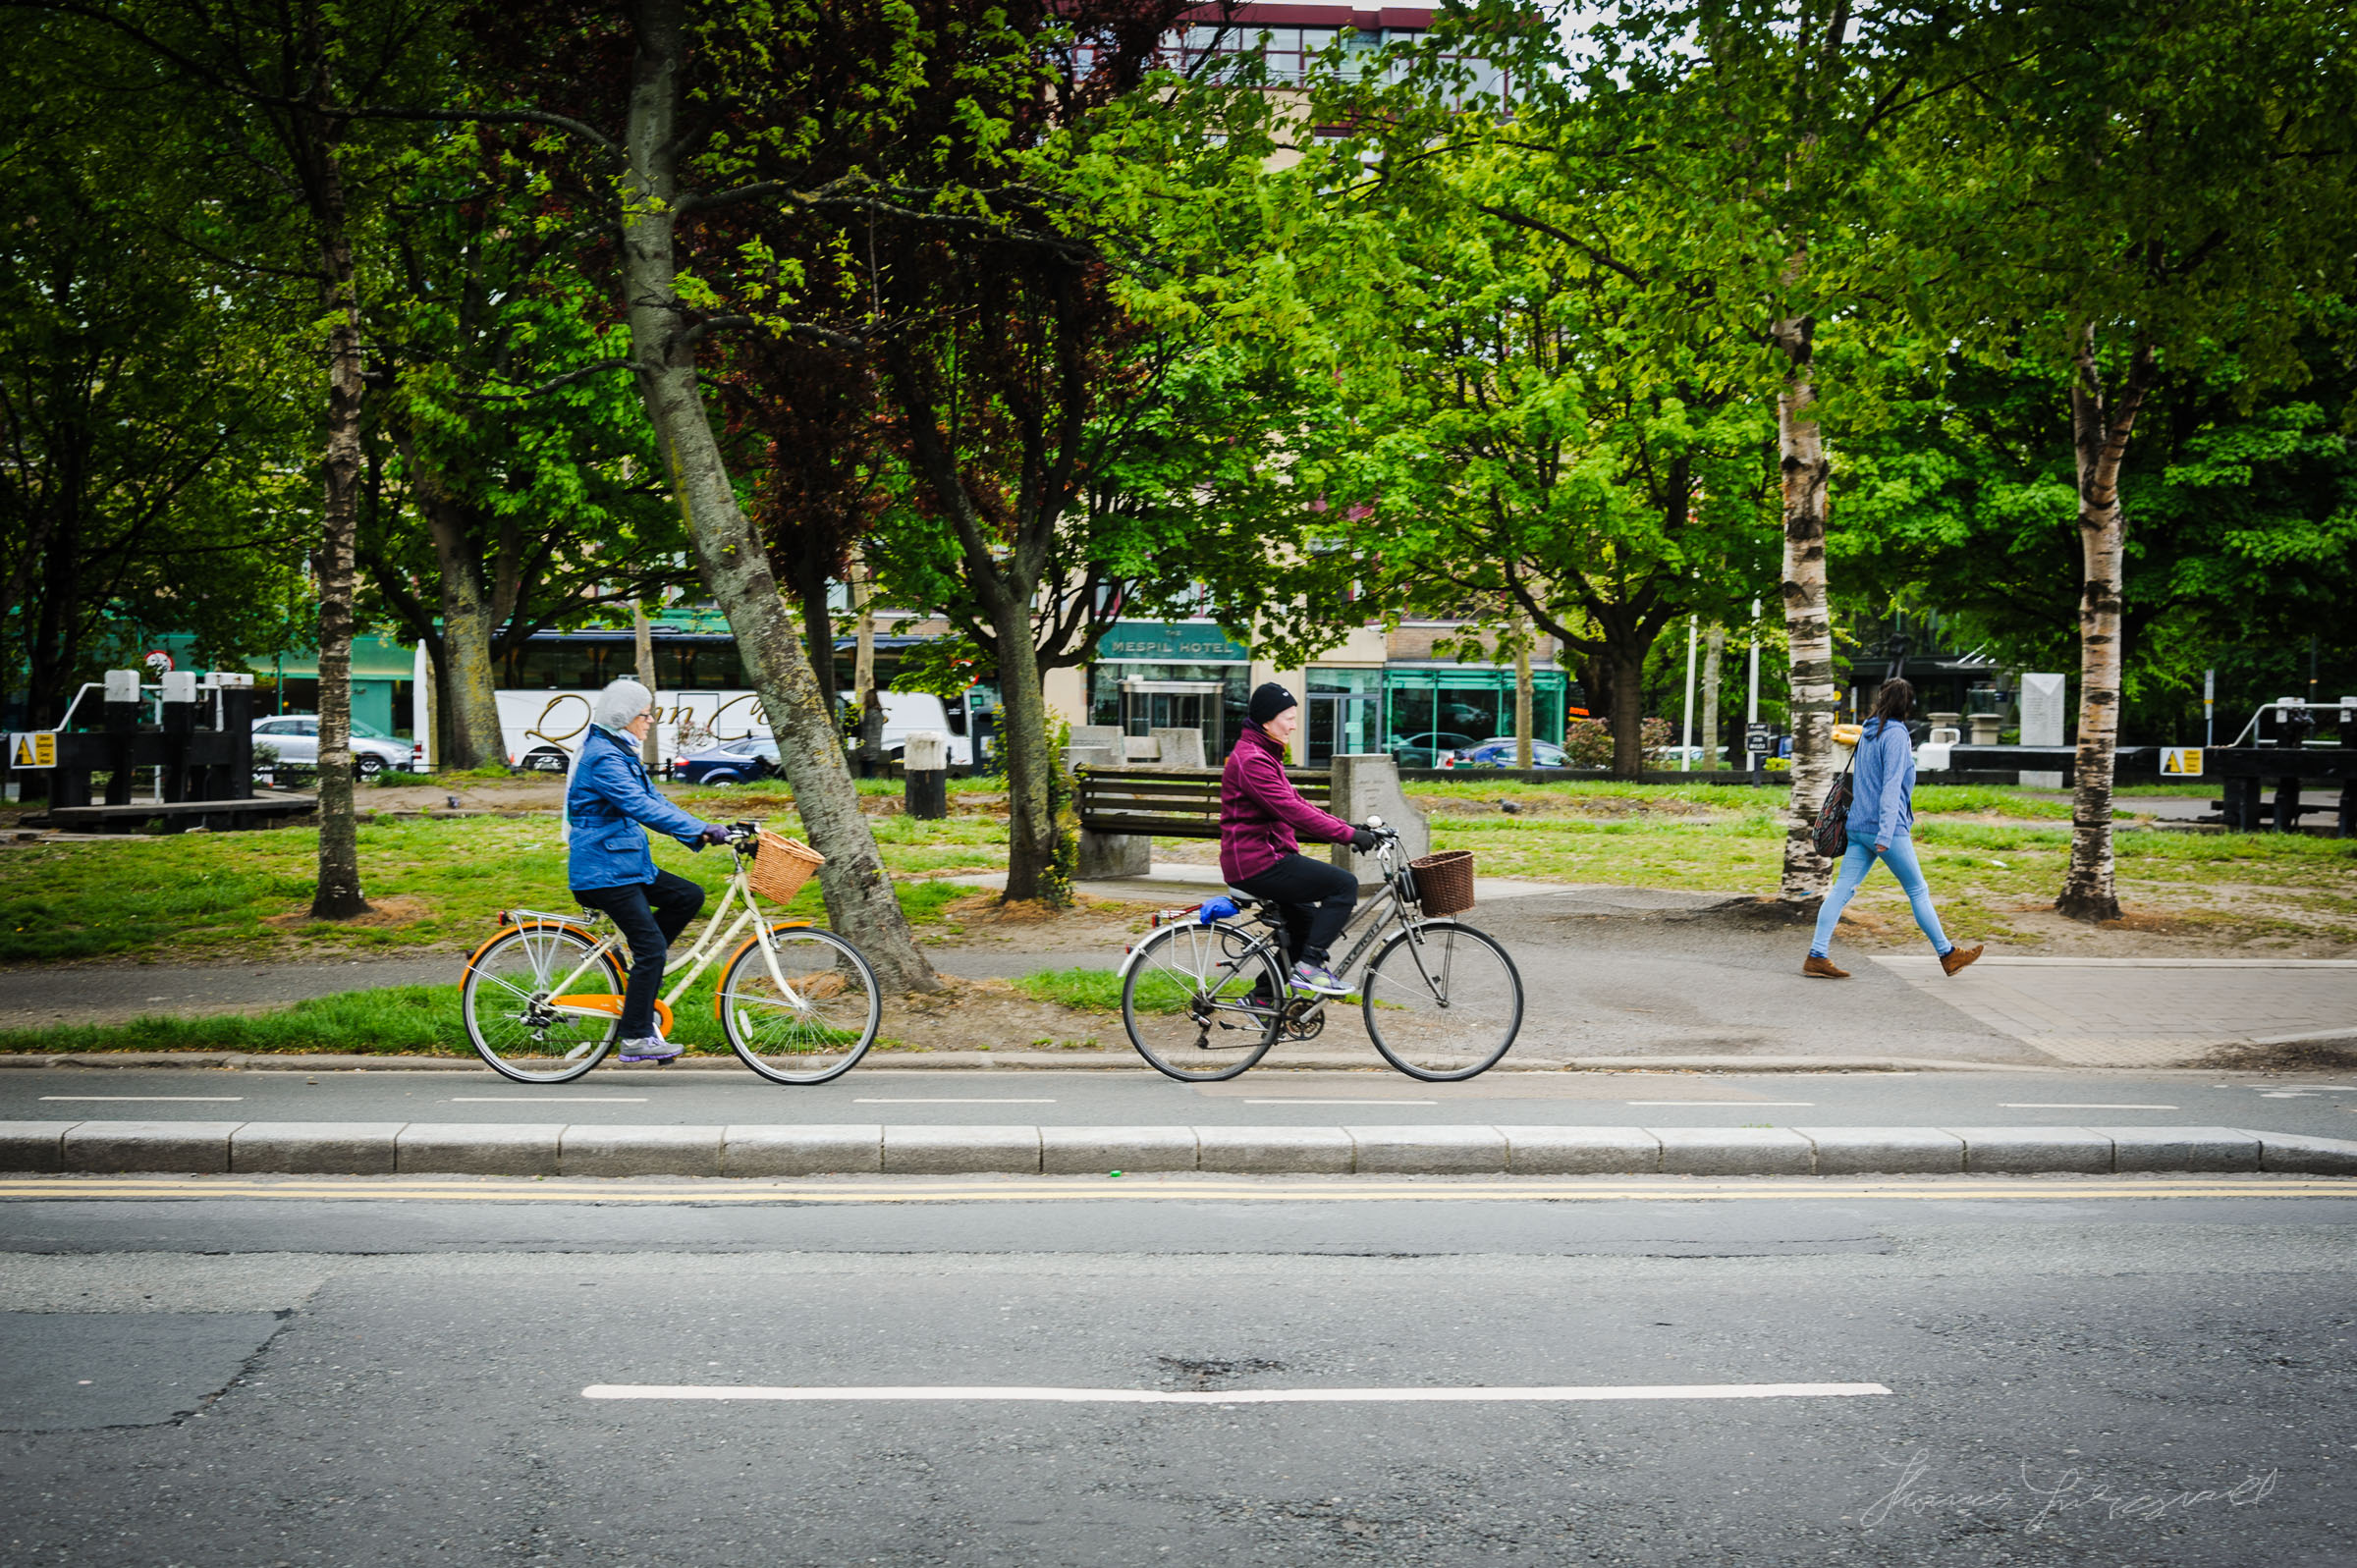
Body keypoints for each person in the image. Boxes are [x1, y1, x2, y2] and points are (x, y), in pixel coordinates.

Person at [565, 678, 731, 1061]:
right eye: (645, 714)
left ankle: (642, 977)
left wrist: (706, 827)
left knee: (688, 896)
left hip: (625, 864)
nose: (652, 720)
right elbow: (640, 807)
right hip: (604, 871)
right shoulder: (604, 758)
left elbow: (656, 800)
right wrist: (700, 830)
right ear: (624, 717)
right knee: (653, 948)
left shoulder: (618, 750)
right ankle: (636, 1036)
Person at [1804, 677, 1984, 980]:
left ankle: (1817, 956)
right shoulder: (1897, 735)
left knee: (1840, 891)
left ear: (1880, 700)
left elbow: (1864, 781)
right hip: (1884, 829)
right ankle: (1948, 954)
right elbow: (1889, 787)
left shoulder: (1869, 732)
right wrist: (1887, 832)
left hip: (1858, 826)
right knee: (1918, 890)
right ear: (1908, 705)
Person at [1221, 682, 1380, 996]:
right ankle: (1310, 968)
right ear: (1267, 720)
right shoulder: (1253, 760)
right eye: (1288, 718)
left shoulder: (1263, 753)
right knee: (1343, 885)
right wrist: (1348, 835)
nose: (1294, 725)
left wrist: (1349, 826)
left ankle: (1263, 999)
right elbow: (1292, 811)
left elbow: (1299, 803)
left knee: (1304, 928)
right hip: (1259, 863)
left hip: (1265, 857)